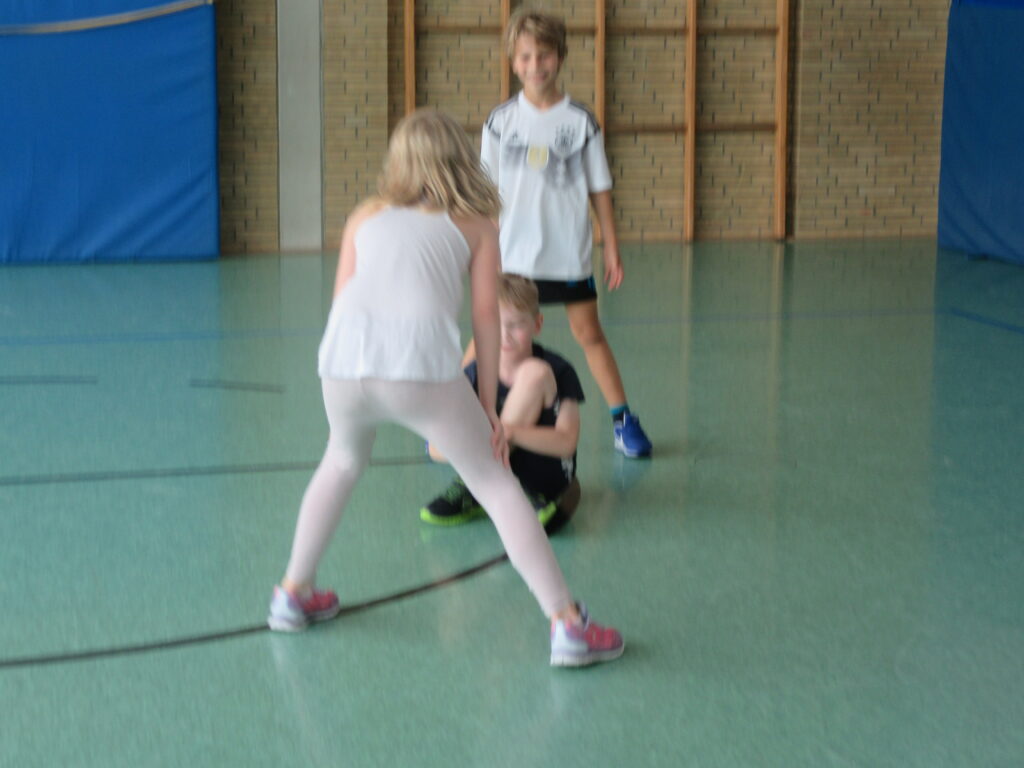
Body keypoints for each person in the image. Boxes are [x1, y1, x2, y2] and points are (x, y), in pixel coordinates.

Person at [266, 109, 624, 668]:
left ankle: (291, 593)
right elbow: (485, 318)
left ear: (399, 161)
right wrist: (487, 410)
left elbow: (343, 300)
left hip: (341, 361)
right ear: (461, 160)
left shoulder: (365, 214)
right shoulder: (477, 225)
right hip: (417, 367)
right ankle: (567, 624)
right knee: (494, 481)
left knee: (340, 461)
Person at [476, 7, 653, 459]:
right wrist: (485, 249)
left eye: (545, 55)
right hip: (513, 257)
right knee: (488, 337)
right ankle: (459, 419)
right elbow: (486, 193)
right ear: (513, 62)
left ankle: (622, 420)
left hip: (567, 255)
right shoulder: (500, 122)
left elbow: (599, 187)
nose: (536, 66)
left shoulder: (580, 121)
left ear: (560, 56)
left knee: (589, 333)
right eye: (526, 57)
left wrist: (611, 245)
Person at [420, 274, 583, 533]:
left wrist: (510, 432)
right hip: (498, 468)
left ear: (537, 324)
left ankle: (488, 486)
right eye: (496, 324)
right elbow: (435, 450)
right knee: (444, 434)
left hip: (546, 476)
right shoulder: (474, 374)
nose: (505, 335)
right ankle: (483, 486)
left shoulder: (558, 370)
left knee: (534, 373)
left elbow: (566, 443)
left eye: (516, 325)